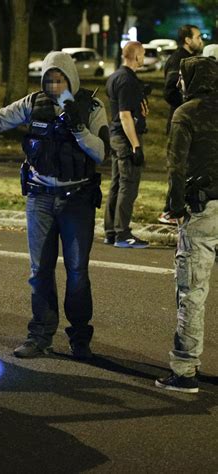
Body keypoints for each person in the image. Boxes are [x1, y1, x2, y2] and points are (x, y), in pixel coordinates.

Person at [0, 51, 109, 359]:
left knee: (77, 271)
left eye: (60, 80)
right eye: (48, 80)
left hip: (76, 198)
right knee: (40, 270)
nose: (54, 86)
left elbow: (101, 153)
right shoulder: (32, 103)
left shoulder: (92, 107)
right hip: (39, 197)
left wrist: (77, 127)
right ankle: (40, 335)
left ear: (71, 79)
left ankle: (80, 339)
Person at [155, 56, 218, 393]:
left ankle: (185, 370)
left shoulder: (187, 113)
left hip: (203, 210)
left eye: (181, 77)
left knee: (192, 292)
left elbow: (176, 167)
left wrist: (176, 207)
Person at [103, 41, 149, 249]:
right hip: (125, 138)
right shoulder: (127, 80)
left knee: (116, 184)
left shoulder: (115, 77)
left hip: (115, 137)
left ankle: (111, 231)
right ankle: (122, 233)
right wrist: (136, 146)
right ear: (136, 56)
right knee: (128, 185)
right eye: (143, 54)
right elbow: (124, 115)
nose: (144, 58)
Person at [159, 25, 203, 225]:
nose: (201, 40)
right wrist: (186, 106)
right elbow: (169, 91)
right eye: (198, 37)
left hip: (186, 121)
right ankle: (169, 210)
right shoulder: (179, 61)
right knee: (178, 166)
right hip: (180, 122)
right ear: (187, 40)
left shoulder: (188, 60)